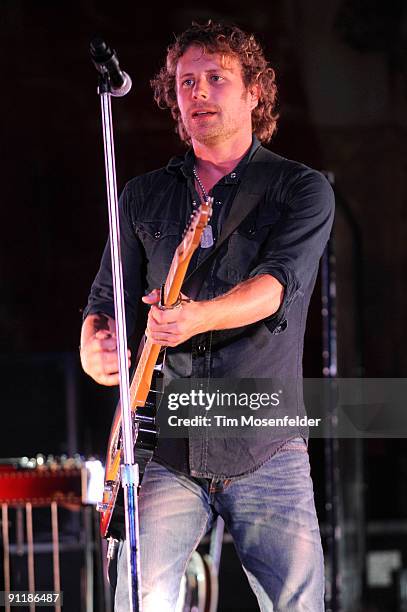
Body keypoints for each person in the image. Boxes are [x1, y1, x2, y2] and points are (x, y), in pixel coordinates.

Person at [80, 21, 334, 611]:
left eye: (216, 79)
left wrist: (197, 318)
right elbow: (102, 301)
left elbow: (276, 289)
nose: (197, 92)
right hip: (166, 445)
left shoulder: (299, 189)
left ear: (254, 94)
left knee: (298, 603)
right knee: (140, 597)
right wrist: (95, 348)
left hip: (265, 441)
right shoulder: (143, 196)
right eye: (186, 81)